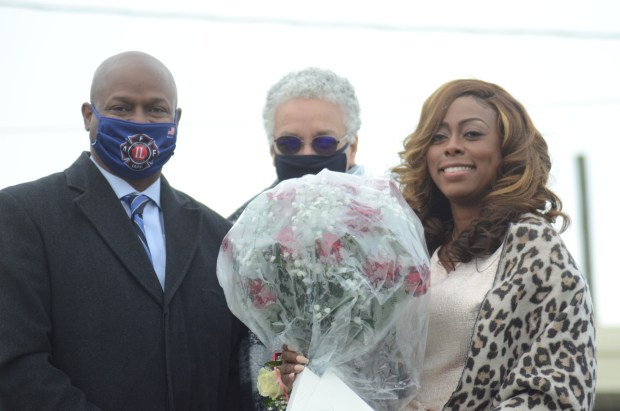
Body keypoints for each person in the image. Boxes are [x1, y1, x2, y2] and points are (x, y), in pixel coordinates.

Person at [282, 79, 597, 410]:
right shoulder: (408, 250)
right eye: (438, 137)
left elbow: (557, 393)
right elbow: (372, 376)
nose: (452, 146)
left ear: (507, 148)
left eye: (472, 134)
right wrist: (313, 370)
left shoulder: (534, 247)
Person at [0, 51, 252, 410]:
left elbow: (234, 373)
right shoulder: (24, 215)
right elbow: (16, 366)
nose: (139, 121)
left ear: (176, 120)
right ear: (89, 116)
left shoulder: (217, 236)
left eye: (156, 109)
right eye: (121, 108)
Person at [228, 66, 366, 222]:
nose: (306, 153)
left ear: (352, 147)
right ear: (273, 151)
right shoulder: (240, 231)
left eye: (324, 143)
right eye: (289, 144)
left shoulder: (385, 221)